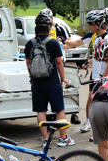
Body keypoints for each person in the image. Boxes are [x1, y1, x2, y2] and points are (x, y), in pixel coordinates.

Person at [24, 13, 75, 148]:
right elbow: (59, 62)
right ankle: (63, 138)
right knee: (59, 110)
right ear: (48, 27)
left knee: (41, 111)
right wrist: (63, 78)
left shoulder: (30, 43)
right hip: (52, 82)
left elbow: (28, 63)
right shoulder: (53, 43)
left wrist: (32, 77)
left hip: (37, 83)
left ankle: (45, 139)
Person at [64, 10, 108, 133]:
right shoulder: (95, 36)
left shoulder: (107, 39)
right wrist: (61, 41)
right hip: (96, 76)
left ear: (98, 23)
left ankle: (105, 131)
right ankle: (94, 125)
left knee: (102, 105)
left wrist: (105, 76)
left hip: (103, 78)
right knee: (93, 101)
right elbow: (77, 43)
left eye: (90, 24)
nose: (89, 27)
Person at [38, 8, 81, 124]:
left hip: (61, 59)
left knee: (68, 85)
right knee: (53, 89)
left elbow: (71, 43)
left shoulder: (61, 27)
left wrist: (59, 45)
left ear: (52, 18)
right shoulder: (41, 29)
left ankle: (73, 113)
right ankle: (53, 114)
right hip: (47, 62)